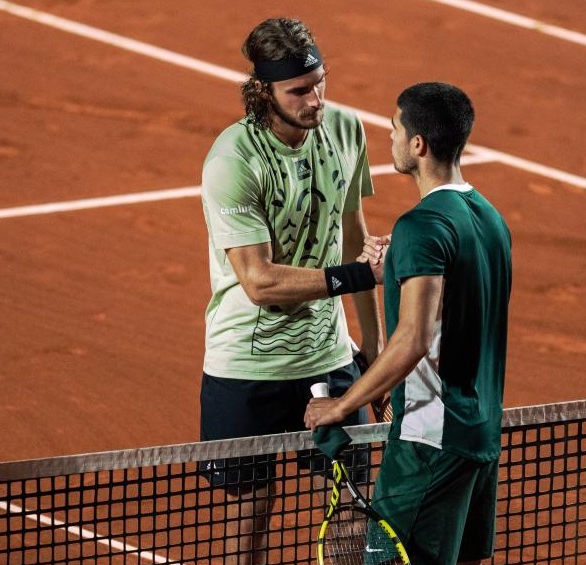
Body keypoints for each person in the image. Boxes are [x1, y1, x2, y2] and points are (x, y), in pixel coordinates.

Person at [198, 18, 383, 565]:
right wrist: (356, 276)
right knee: (249, 520)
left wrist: (374, 348)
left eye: (320, 83)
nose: (315, 100)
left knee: (352, 512)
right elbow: (259, 281)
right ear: (263, 92)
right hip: (245, 366)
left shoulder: (345, 130)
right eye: (299, 91)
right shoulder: (233, 160)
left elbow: (354, 237)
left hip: (329, 357)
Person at [304, 82, 513, 565]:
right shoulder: (489, 219)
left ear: (418, 144)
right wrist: (398, 262)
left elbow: (414, 337)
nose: (391, 136)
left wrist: (341, 406)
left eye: (396, 128)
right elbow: (457, 301)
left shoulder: (421, 226)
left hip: (427, 443)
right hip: (479, 437)